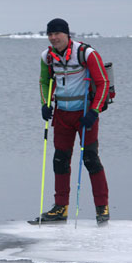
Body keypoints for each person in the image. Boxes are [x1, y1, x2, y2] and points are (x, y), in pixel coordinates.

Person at [32, 18, 110, 226]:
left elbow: (103, 83)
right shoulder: (47, 57)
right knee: (60, 160)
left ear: (67, 34)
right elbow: (44, 82)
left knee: (90, 159)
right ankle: (60, 208)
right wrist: (44, 104)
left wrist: (94, 111)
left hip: (84, 115)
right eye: (50, 34)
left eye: (57, 33)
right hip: (62, 115)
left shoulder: (86, 53)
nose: (53, 37)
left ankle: (102, 207)